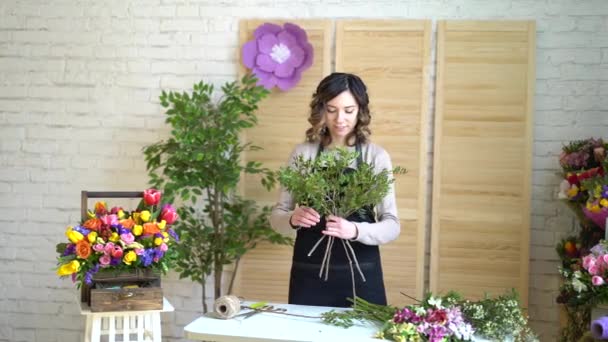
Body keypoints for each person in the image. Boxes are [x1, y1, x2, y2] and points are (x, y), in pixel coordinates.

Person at [269, 72, 400, 308]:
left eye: (348, 110)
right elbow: (276, 217)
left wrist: (355, 230)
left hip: (361, 275)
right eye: (332, 110)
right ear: (321, 110)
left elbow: (392, 225)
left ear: (360, 111)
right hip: (309, 276)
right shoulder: (304, 154)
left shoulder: (375, 157)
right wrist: (292, 219)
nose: (340, 119)